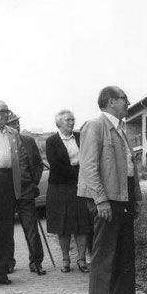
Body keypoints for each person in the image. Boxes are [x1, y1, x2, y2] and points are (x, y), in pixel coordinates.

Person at [78, 86, 145, 294]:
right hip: (106, 198)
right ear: (110, 102)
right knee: (104, 252)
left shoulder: (120, 129)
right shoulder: (95, 126)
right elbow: (88, 167)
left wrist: (134, 198)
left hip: (123, 196)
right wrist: (100, 199)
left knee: (125, 250)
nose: (128, 102)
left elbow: (129, 169)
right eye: (124, 99)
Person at [45, 109, 91, 274]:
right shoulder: (51, 141)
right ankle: (65, 259)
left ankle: (81, 259)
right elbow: (55, 165)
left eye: (73, 119)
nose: (71, 123)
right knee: (63, 224)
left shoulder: (80, 137)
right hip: (60, 185)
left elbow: (89, 157)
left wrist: (84, 176)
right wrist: (78, 175)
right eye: (67, 120)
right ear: (59, 123)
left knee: (82, 222)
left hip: (81, 185)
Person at [0, 100, 26, 287]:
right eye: (2, 111)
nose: (6, 115)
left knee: (5, 228)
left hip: (9, 179)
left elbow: (19, 160)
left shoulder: (13, 133)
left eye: (7, 111)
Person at [6, 112, 46, 275]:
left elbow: (38, 164)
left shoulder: (28, 141)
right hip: (6, 192)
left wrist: (33, 182)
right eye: (12, 123)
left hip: (25, 190)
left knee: (31, 227)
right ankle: (7, 263)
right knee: (5, 229)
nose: (16, 126)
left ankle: (36, 262)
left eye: (17, 122)